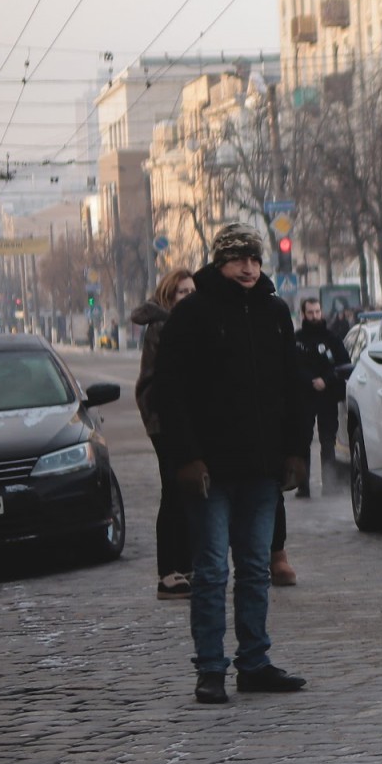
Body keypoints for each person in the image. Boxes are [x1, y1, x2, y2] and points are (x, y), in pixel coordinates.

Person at [156, 224, 309, 705]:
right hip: (209, 470)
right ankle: (210, 669)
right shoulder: (193, 314)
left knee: (255, 568)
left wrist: (295, 451)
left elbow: (294, 386)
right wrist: (186, 458)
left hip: (262, 468)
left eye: (254, 259)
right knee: (210, 571)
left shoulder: (275, 312)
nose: (248, 267)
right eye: (238, 258)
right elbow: (170, 393)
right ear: (220, 262)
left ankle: (254, 663)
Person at [133, 267, 197, 600]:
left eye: (192, 291)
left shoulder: (191, 326)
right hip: (165, 424)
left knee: (187, 492)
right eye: (182, 292)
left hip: (186, 422)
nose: (189, 296)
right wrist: (157, 422)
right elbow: (149, 383)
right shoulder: (162, 327)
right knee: (173, 492)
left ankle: (185, 567)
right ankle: (168, 572)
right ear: (169, 296)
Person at [291, 297, 349, 497]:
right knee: (302, 441)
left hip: (328, 396)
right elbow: (291, 366)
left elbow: (343, 364)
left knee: (327, 441)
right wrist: (311, 381)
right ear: (303, 314)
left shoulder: (332, 338)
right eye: (310, 312)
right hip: (303, 397)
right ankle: (303, 485)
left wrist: (326, 379)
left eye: (317, 312)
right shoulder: (296, 339)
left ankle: (329, 485)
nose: (315, 316)